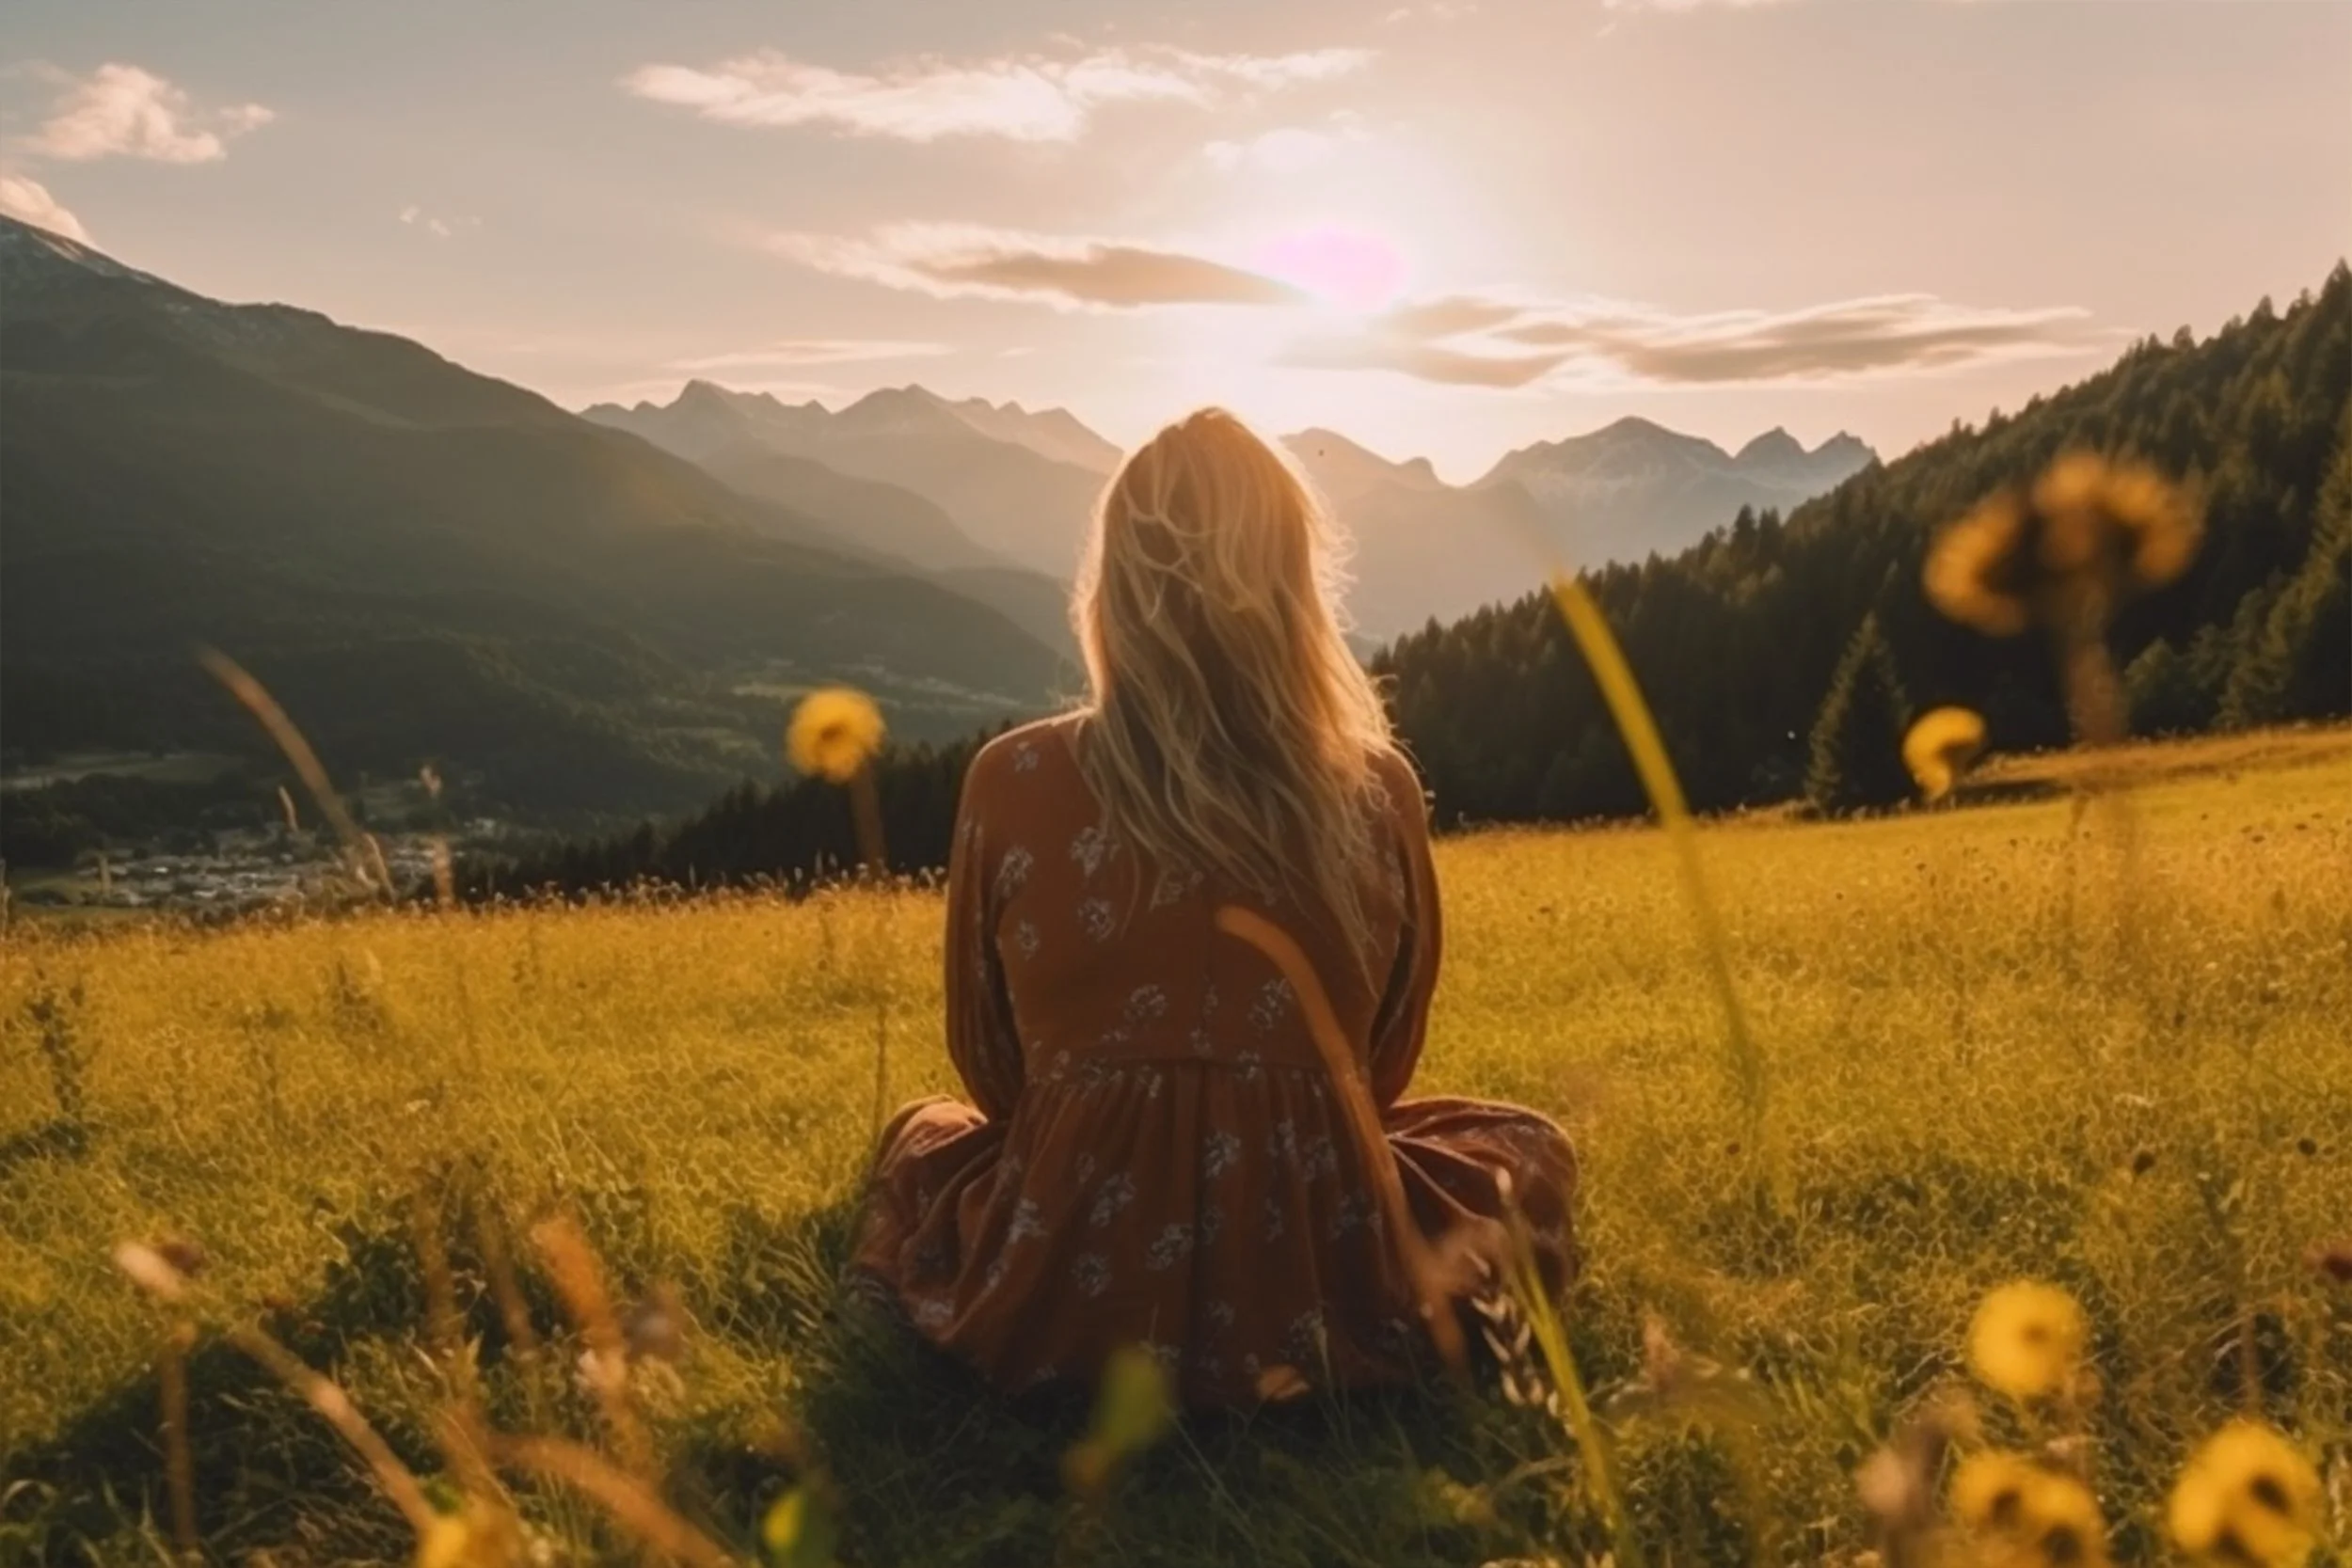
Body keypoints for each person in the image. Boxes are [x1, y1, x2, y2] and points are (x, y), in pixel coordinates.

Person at [850, 407, 1578, 1408]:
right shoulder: (1376, 789)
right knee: (1522, 1146)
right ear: (1292, 586)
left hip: (1058, 1276)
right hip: (1318, 1274)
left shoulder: (1010, 776)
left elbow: (989, 1066)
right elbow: (1382, 1066)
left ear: (1116, 584)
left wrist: (1107, 1114)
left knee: (927, 1132)